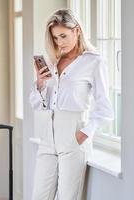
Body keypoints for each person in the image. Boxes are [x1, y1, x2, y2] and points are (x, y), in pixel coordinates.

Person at [29, 8, 114, 200]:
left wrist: (85, 133)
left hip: (73, 136)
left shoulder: (94, 61)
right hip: (48, 137)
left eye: (63, 36)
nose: (59, 42)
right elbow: (38, 105)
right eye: (55, 38)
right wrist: (40, 84)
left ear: (77, 30)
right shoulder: (53, 61)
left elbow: (105, 107)